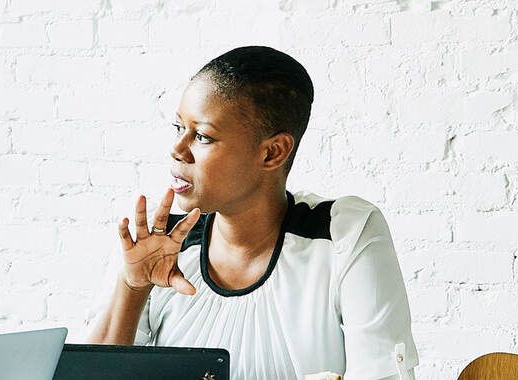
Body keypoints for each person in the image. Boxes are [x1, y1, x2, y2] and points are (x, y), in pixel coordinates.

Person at [84, 46, 419, 380]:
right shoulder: (159, 240)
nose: (177, 149)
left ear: (273, 152)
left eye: (202, 135)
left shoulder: (341, 233)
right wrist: (132, 287)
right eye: (177, 127)